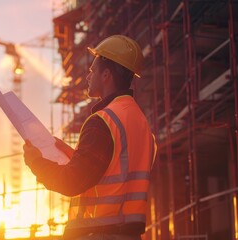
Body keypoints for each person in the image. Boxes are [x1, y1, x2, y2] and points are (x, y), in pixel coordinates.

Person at [23, 35, 157, 240]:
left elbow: (71, 182)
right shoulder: (140, 123)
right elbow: (111, 170)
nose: (88, 76)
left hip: (99, 233)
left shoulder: (103, 121)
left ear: (106, 75)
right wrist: (71, 154)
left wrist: (36, 163)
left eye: (92, 70)